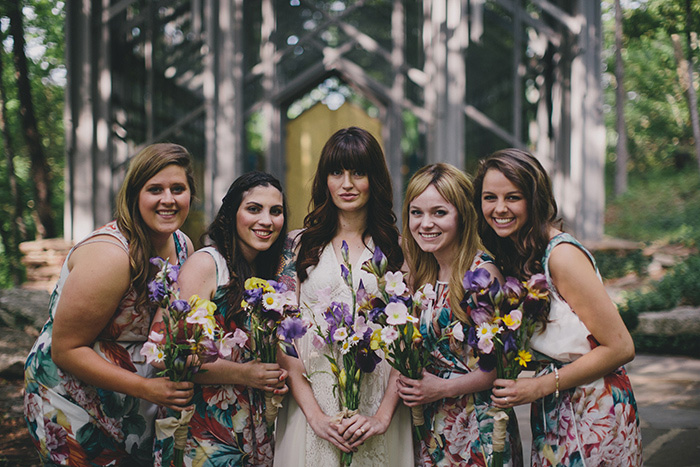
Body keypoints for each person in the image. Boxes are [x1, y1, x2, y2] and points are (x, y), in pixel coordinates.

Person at [23, 143, 197, 466]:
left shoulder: (183, 246)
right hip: (72, 401)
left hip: (129, 403)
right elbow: (67, 349)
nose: (168, 199)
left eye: (178, 188)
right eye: (155, 189)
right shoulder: (112, 257)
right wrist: (146, 388)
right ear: (134, 195)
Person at [473, 148, 643, 466]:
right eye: (489, 197)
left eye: (513, 197)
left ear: (534, 199)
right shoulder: (516, 254)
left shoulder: (561, 255)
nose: (499, 208)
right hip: (554, 410)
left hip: (594, 408)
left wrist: (538, 386)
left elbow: (621, 347)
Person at [273, 127, 413, 466]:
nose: (347, 184)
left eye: (358, 173)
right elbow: (283, 338)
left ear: (374, 180)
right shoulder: (296, 246)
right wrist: (316, 417)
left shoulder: (398, 249)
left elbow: (407, 338)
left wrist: (381, 417)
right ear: (325, 180)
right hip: (311, 403)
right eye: (337, 172)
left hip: (377, 402)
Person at [152, 171, 290, 466]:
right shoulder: (206, 265)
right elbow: (168, 354)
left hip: (250, 428)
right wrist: (245, 374)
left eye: (275, 211)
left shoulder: (263, 274)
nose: (266, 220)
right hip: (202, 430)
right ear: (231, 214)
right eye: (254, 209)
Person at [396, 163, 523, 466]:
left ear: (463, 216)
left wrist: (441, 388)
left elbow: (501, 365)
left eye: (439, 213)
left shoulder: (481, 274)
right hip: (432, 427)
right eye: (417, 213)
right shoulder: (423, 273)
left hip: (477, 428)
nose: (425, 224)